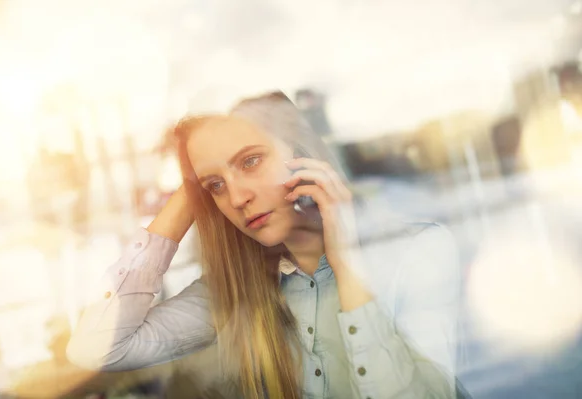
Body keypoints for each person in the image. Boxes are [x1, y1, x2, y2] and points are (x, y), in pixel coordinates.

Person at [67, 91, 461, 398]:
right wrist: (189, 191)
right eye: (216, 187)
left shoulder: (418, 251)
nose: (236, 199)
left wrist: (347, 265)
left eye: (250, 161)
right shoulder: (237, 289)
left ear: (302, 153)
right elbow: (97, 348)